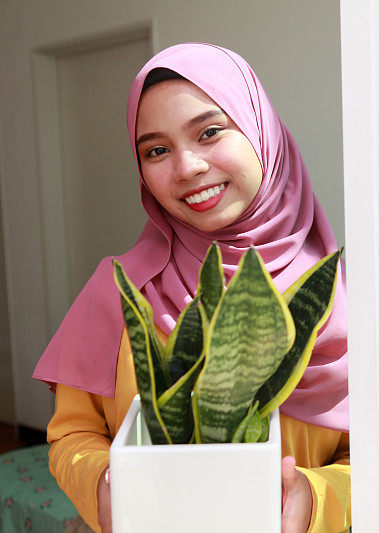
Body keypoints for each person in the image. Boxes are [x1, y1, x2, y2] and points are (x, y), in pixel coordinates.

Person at [33, 43, 350, 533]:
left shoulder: (346, 297)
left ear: (260, 131)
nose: (187, 168)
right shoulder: (119, 290)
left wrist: (315, 498)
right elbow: (73, 433)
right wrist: (102, 488)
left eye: (209, 132)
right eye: (156, 150)